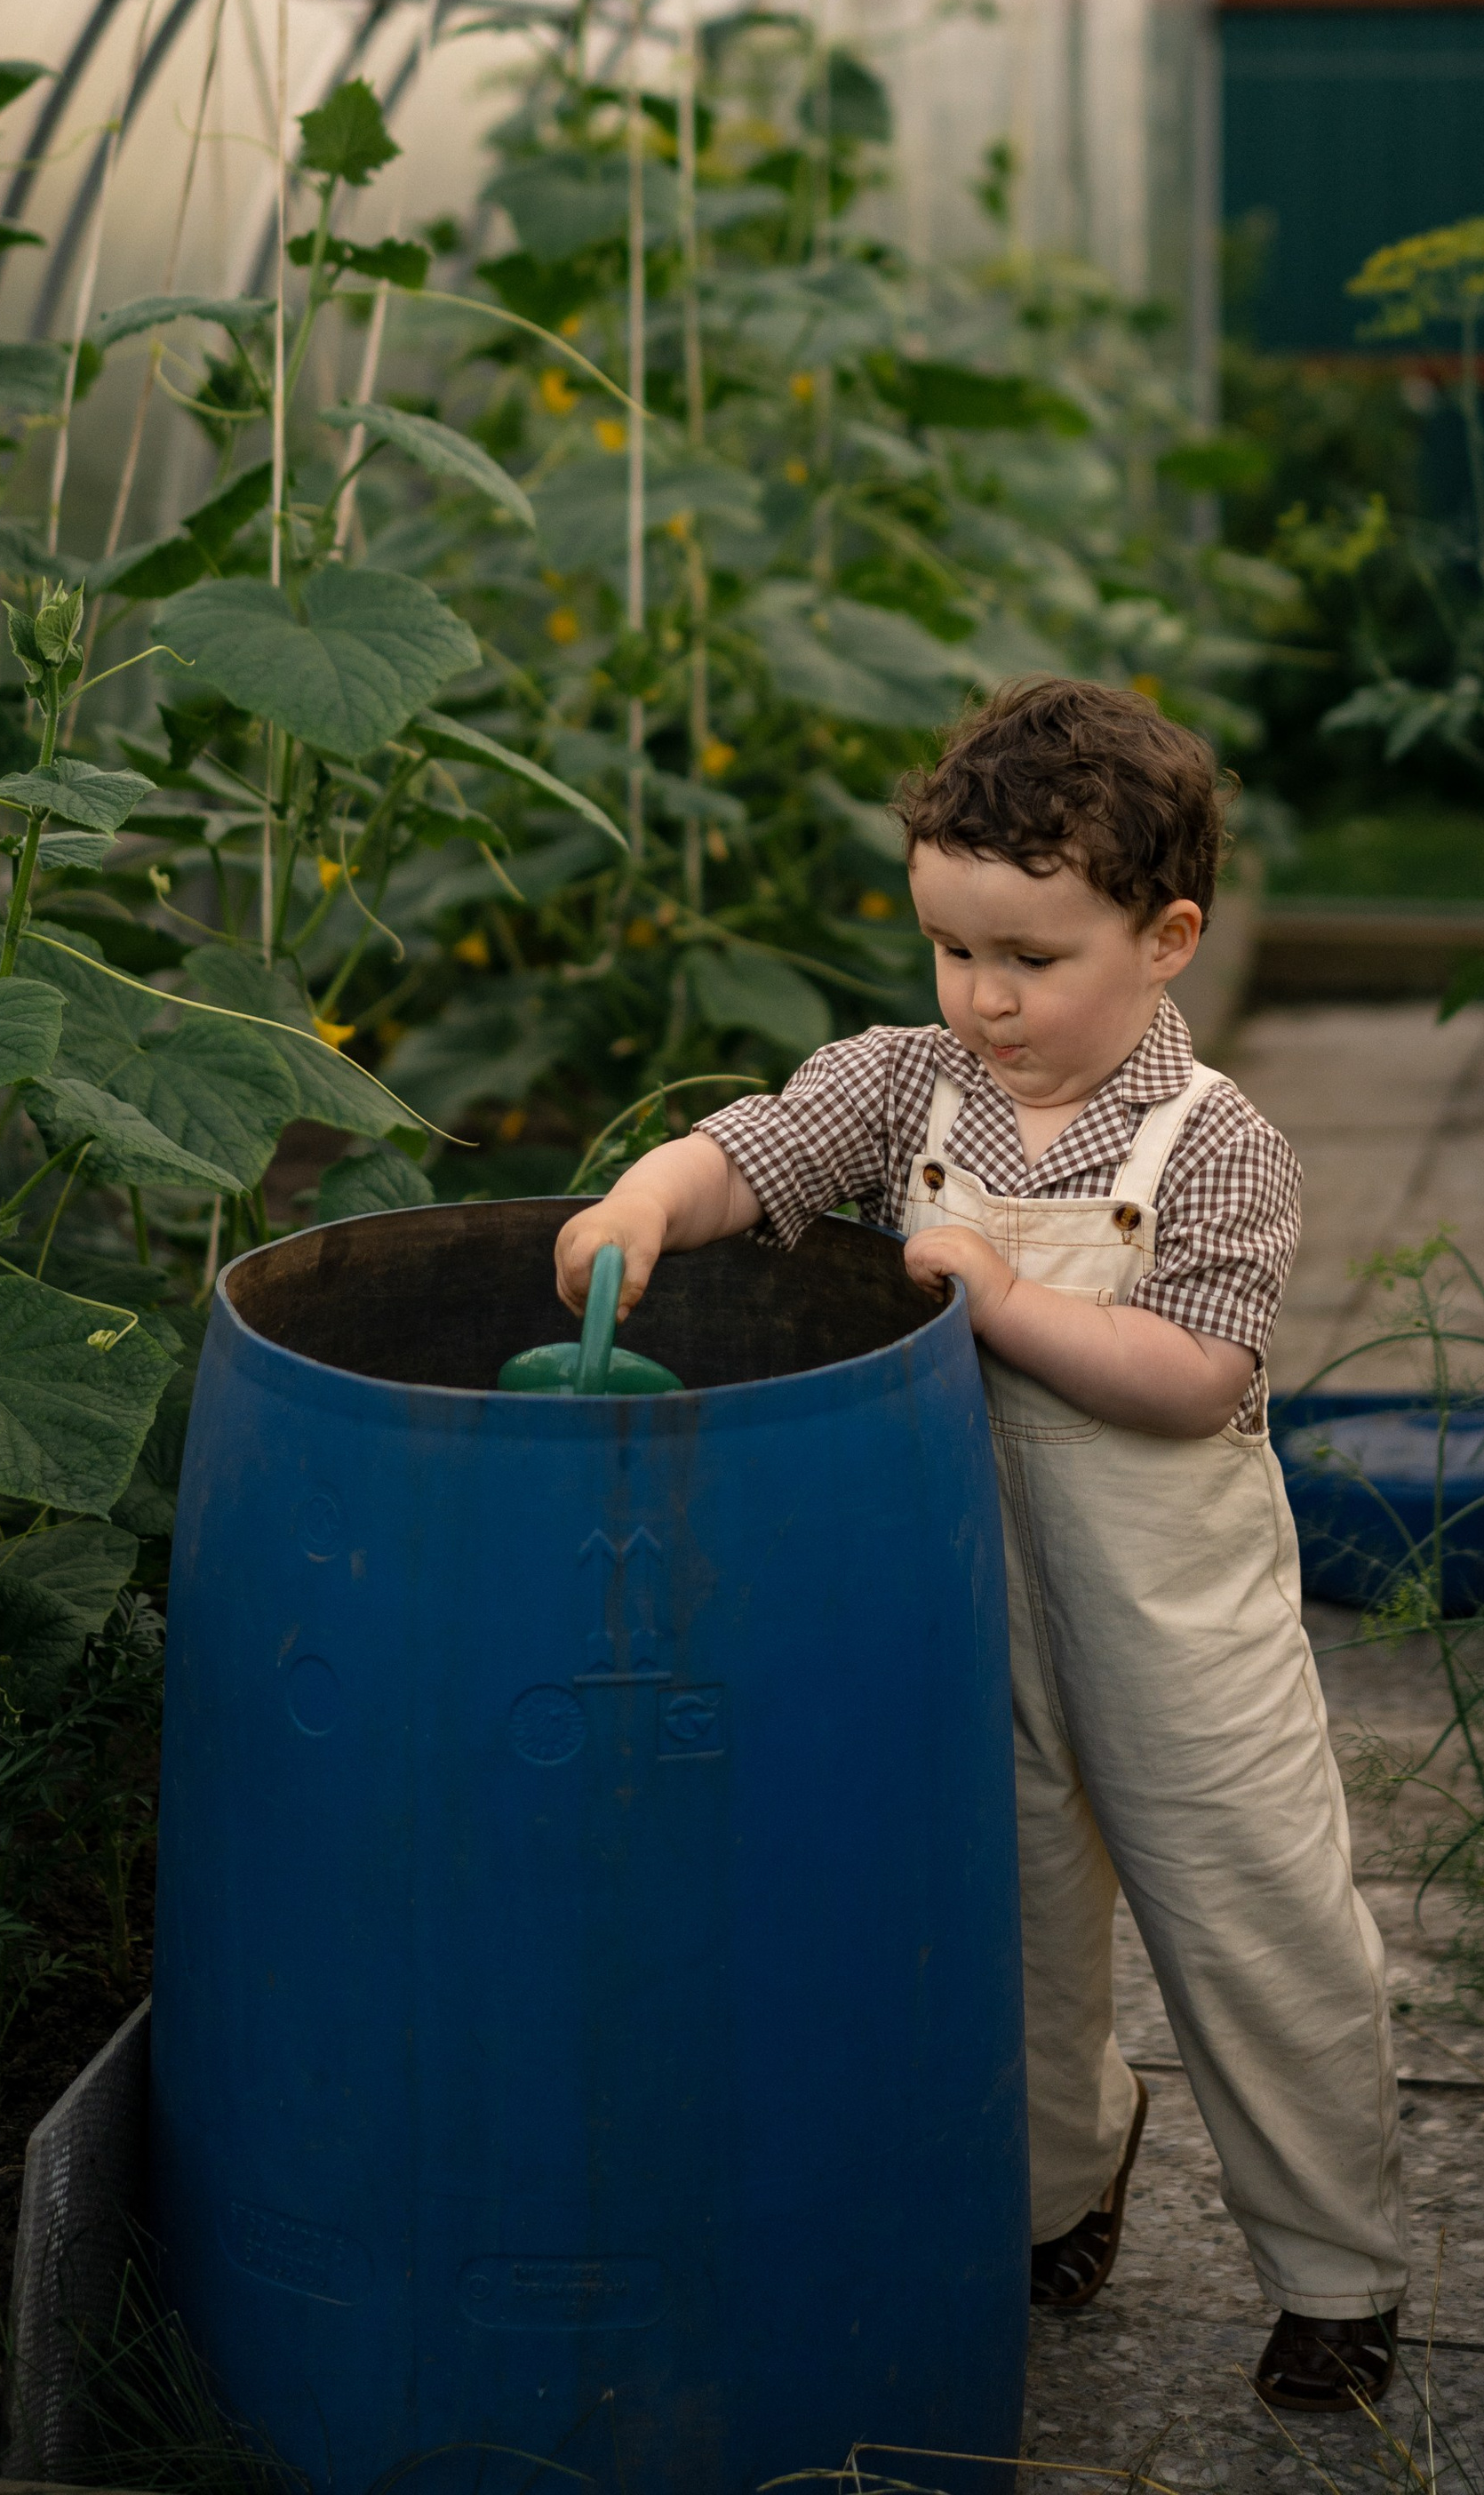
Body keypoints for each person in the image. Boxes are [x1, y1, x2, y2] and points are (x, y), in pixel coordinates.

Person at [553, 677, 1408, 2414]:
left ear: (1165, 939)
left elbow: (1193, 1379)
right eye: (950, 951)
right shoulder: (905, 1088)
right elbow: (753, 1153)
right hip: (952, 1596)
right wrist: (643, 1203)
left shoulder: (1212, 1147)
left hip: (1171, 1619)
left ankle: (1336, 2265)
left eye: (1028, 957)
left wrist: (1001, 1301)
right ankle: (1054, 2186)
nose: (983, 1000)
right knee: (1002, 1921)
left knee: (1254, 1923)